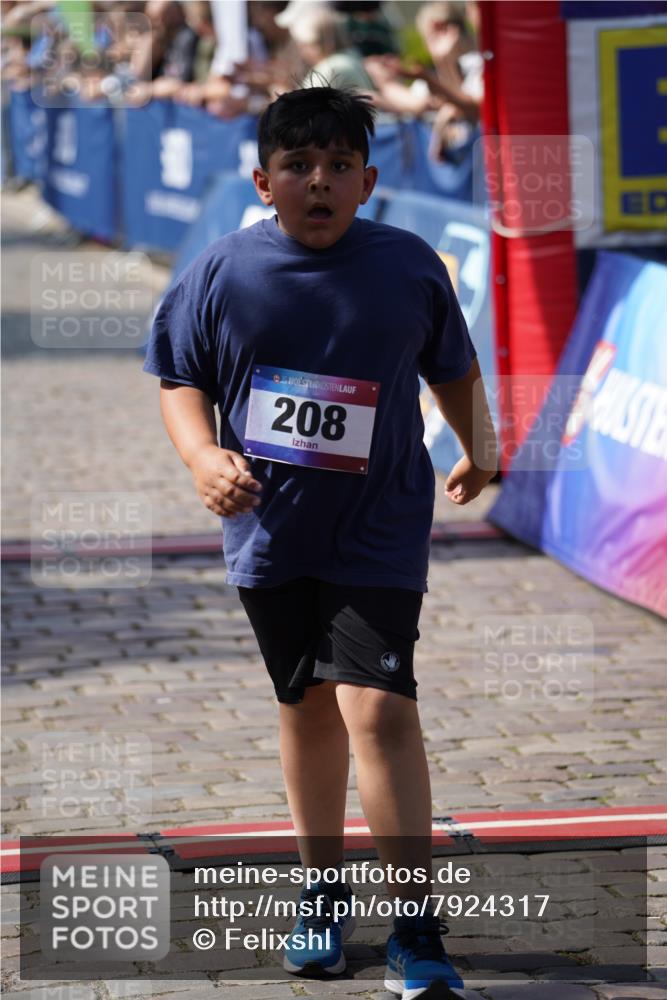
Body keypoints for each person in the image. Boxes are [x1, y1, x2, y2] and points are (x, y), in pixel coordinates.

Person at [143, 85, 496, 999]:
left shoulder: (408, 265)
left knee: (377, 709)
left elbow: (452, 365)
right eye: (298, 166)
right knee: (304, 707)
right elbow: (178, 377)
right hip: (269, 528)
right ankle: (319, 889)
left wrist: (480, 445)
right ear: (263, 181)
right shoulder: (220, 271)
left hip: (378, 528)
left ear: (369, 180)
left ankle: (417, 930)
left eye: (339, 166)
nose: (319, 182)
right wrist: (199, 456)